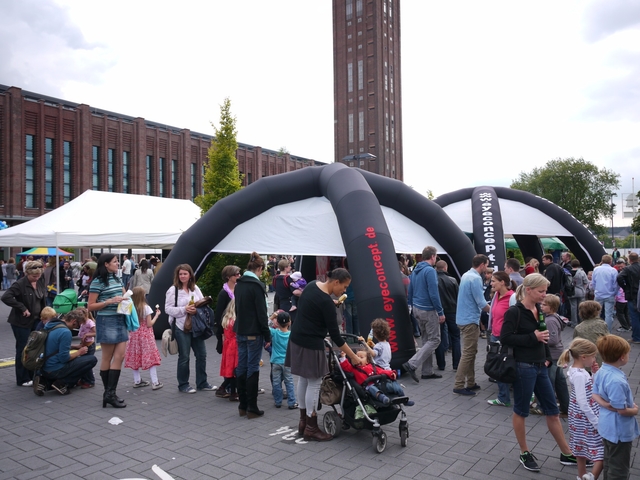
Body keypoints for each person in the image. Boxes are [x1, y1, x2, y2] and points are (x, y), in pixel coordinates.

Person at [501, 273, 579, 473]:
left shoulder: (538, 310)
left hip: (540, 366)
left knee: (552, 411)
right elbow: (506, 338)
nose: (545, 295)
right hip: (522, 367)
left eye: (545, 291)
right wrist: (532, 337)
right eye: (541, 291)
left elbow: (543, 338)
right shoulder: (515, 312)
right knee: (521, 410)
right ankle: (524, 451)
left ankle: (565, 451)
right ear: (529, 290)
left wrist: (546, 357)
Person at [285, 267, 362, 441]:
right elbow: (337, 337)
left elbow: (312, 306)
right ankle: (311, 428)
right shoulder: (326, 303)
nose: (344, 291)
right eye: (344, 287)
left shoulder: (312, 285)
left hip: (297, 338)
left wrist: (330, 304)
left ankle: (303, 422)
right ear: (336, 282)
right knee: (314, 382)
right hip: (311, 344)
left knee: (303, 380)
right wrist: (354, 356)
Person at [592, 335, 639, 480]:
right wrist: (635, 410)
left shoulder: (601, 371)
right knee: (618, 468)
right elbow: (622, 410)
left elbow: (594, 394)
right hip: (618, 431)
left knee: (609, 461)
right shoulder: (616, 380)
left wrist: (605, 404)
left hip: (606, 427)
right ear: (622, 357)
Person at [165, 263, 216, 394]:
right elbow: (167, 309)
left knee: (202, 354)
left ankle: (202, 382)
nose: (182, 276)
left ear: (190, 275)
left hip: (196, 325)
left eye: (185, 273)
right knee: (184, 356)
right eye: (180, 274)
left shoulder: (195, 288)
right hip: (180, 325)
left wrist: (196, 309)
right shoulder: (173, 290)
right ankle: (183, 384)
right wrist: (184, 309)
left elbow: (202, 304)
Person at [558, 338, 603, 480]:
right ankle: (591, 477)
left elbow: (589, 388)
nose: (594, 359)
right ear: (584, 357)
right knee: (601, 448)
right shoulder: (579, 375)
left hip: (580, 415)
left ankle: (582, 475)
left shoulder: (577, 371)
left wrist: (594, 374)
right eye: (593, 356)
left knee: (581, 446)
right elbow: (582, 401)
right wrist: (595, 421)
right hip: (585, 417)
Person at [88, 253, 128, 408]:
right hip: (107, 319)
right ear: (106, 264)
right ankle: (109, 394)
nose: (118, 264)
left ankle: (110, 393)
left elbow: (124, 294)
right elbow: (90, 306)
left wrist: (127, 298)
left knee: (120, 356)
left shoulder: (117, 278)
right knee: (107, 357)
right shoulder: (98, 281)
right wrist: (109, 301)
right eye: (115, 262)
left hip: (120, 318)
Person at [234, 253, 271, 418]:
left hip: (240, 330)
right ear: (260, 268)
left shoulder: (239, 284)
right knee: (253, 368)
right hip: (254, 332)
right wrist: (268, 335)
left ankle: (242, 405)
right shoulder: (257, 285)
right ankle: (252, 407)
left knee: (241, 366)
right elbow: (262, 314)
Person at [402, 246, 445, 383]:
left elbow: (411, 289)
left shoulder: (415, 270)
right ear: (433, 256)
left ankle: (427, 371)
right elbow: (434, 293)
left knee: (426, 339)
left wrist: (411, 305)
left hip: (417, 308)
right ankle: (412, 363)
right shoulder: (430, 271)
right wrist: (440, 312)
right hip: (428, 309)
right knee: (435, 340)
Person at [1, 260, 47, 387]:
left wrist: (45, 314)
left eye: (38, 276)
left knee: (34, 347)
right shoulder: (20, 284)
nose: (36, 278)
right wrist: (21, 307)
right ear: (27, 273)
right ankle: (22, 378)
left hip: (36, 320)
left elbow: (43, 299)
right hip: (21, 322)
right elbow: (5, 297)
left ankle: (32, 373)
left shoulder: (40, 281)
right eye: (34, 276)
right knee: (23, 349)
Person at [453, 254, 490, 396]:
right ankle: (459, 384)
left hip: (463, 318)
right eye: (486, 264)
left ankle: (471, 382)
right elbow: (481, 302)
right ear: (482, 265)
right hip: (470, 320)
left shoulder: (466, 275)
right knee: (468, 353)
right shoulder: (475, 278)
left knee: (471, 352)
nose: (487, 267)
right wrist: (495, 311)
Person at [38, 312, 97, 396]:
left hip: (44, 367)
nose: (76, 328)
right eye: (77, 326)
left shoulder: (51, 325)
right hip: (55, 369)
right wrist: (79, 352)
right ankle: (62, 383)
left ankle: (45, 382)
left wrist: (72, 347)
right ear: (74, 321)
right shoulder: (65, 332)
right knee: (91, 360)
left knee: (76, 359)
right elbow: (64, 358)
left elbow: (54, 345)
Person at [339, 350, 412, 406]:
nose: (358, 359)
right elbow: (346, 366)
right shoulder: (353, 369)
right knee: (372, 389)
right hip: (368, 387)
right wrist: (343, 357)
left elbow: (382, 371)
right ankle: (383, 398)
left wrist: (392, 373)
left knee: (394, 384)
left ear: (367, 361)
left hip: (380, 384)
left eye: (361, 357)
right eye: (356, 357)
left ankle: (404, 398)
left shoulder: (372, 366)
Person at [124, 286, 163, 390]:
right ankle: (155, 382)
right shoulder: (146, 307)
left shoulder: (130, 307)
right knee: (150, 356)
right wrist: (156, 315)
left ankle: (137, 380)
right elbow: (149, 324)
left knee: (135, 356)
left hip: (134, 334)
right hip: (146, 335)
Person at [487, 271, 515, 407]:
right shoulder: (496, 296)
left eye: (493, 281)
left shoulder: (512, 297)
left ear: (502, 282)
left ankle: (506, 396)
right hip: (495, 335)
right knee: (498, 367)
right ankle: (503, 397)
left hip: (506, 338)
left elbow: (515, 318)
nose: (491, 283)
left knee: (506, 366)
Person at [214, 265, 241, 395]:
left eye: (239, 274)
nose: (239, 276)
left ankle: (230, 387)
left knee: (235, 361)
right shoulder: (224, 293)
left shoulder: (239, 289)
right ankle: (227, 387)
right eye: (236, 274)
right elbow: (219, 314)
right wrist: (221, 335)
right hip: (228, 332)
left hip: (237, 330)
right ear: (228, 277)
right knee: (230, 361)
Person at [541, 294, 569, 417]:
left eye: (544, 305)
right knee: (560, 381)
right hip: (558, 353)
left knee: (550, 381)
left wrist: (540, 338)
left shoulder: (550, 320)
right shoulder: (554, 317)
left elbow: (553, 340)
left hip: (553, 355)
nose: (541, 306)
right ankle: (565, 406)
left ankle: (548, 407)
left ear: (552, 307)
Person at [434, 260, 460, 372]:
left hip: (438, 312)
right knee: (456, 337)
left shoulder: (433, 280)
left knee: (438, 338)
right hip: (453, 311)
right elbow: (458, 296)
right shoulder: (453, 280)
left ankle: (441, 364)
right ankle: (457, 364)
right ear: (445, 268)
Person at [269, 311, 297, 409]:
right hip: (288, 362)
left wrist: (272, 317)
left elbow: (264, 325)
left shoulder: (274, 332)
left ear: (277, 323)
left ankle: (278, 402)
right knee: (289, 382)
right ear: (289, 322)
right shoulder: (292, 335)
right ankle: (291, 402)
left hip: (276, 361)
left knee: (276, 383)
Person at [573, 301, 609, 367]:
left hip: (584, 360)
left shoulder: (578, 328)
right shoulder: (602, 324)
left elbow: (575, 345)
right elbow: (608, 340)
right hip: (600, 359)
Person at [591, 255, 619, 332]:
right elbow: (615, 284)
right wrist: (614, 293)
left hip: (598, 294)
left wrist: (595, 290)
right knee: (609, 315)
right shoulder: (613, 270)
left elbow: (593, 282)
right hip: (609, 295)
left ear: (602, 261)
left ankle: (597, 330)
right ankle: (607, 331)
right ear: (611, 261)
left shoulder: (596, 269)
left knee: (596, 314)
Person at [617, 252, 640, 342]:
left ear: (629, 260)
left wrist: (625, 287)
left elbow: (619, 277)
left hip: (632, 294)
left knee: (634, 316)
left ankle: (637, 337)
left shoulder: (628, 269)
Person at [71, 308, 96, 388]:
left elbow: (95, 332)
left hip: (90, 345)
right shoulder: (83, 323)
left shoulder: (89, 323)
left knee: (87, 363)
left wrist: (87, 335)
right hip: (84, 344)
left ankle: (90, 381)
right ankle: (84, 379)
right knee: (82, 363)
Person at [219, 299, 239, 401]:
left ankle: (224, 388)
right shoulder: (236, 321)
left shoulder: (226, 319)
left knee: (231, 370)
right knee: (235, 370)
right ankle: (233, 393)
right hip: (235, 346)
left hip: (228, 345)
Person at [569, 259, 589, 327]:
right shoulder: (582, 272)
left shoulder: (568, 272)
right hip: (580, 291)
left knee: (573, 307)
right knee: (581, 307)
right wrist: (584, 289)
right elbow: (586, 282)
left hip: (571, 292)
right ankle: (581, 322)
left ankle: (574, 323)